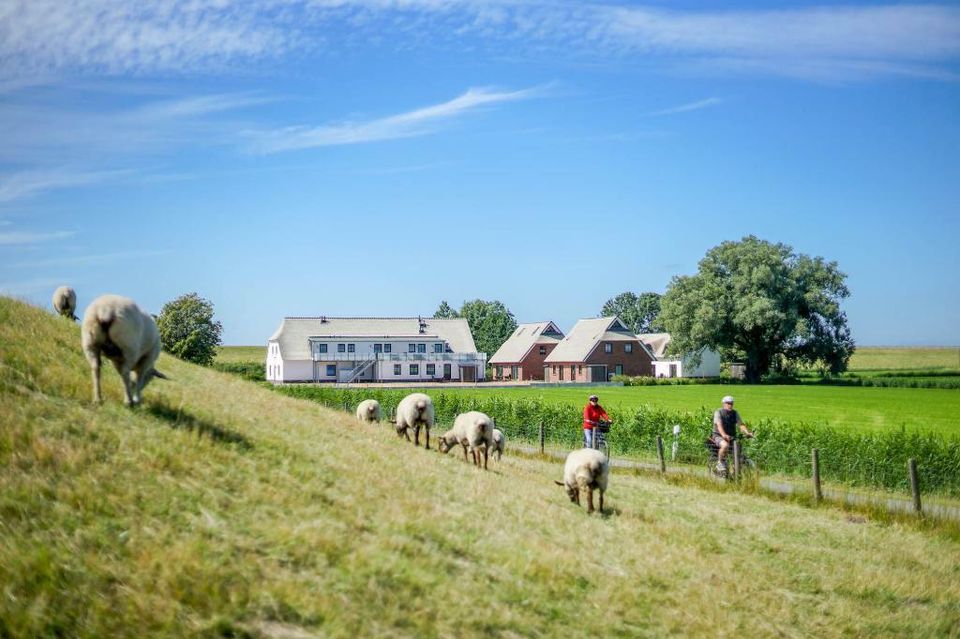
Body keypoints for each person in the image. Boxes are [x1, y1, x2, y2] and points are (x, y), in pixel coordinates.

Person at [712, 395, 754, 472]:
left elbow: (741, 424)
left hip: (731, 436)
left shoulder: (735, 413)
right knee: (725, 445)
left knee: (738, 449)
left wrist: (747, 433)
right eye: (728, 403)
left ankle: (736, 468)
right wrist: (724, 435)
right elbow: (719, 425)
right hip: (718, 435)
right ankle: (720, 462)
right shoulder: (718, 412)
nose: (730, 405)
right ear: (723, 404)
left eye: (731, 403)